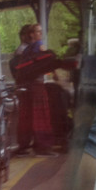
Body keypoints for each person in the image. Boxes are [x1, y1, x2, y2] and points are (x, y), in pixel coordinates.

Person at [13, 23, 56, 156]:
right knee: (41, 116)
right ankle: (43, 146)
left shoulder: (24, 50)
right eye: (38, 31)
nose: (40, 34)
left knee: (26, 117)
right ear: (31, 34)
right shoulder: (38, 45)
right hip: (36, 85)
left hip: (26, 86)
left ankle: (24, 145)